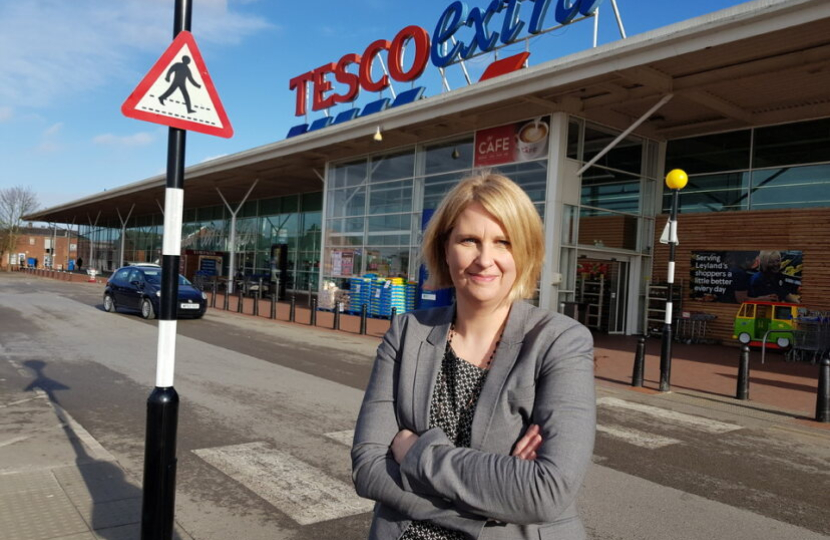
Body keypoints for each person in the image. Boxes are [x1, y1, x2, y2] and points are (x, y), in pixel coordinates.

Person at [351, 173, 596, 540]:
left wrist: (415, 453)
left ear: (524, 252)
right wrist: (495, 495)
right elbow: (368, 469)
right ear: (444, 247)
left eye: (503, 242)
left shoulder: (559, 341)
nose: (485, 259)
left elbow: (547, 492)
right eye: (469, 240)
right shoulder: (407, 332)